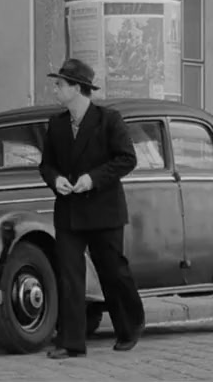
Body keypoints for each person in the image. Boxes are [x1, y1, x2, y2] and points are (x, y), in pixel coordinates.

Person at [38, 58, 145, 359]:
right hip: (69, 212)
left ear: (76, 88)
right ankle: (71, 342)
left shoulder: (109, 120)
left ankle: (130, 326)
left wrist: (92, 179)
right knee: (69, 276)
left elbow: (127, 159)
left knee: (113, 271)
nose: (55, 89)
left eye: (59, 84)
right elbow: (46, 165)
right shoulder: (56, 124)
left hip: (103, 210)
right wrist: (55, 180)